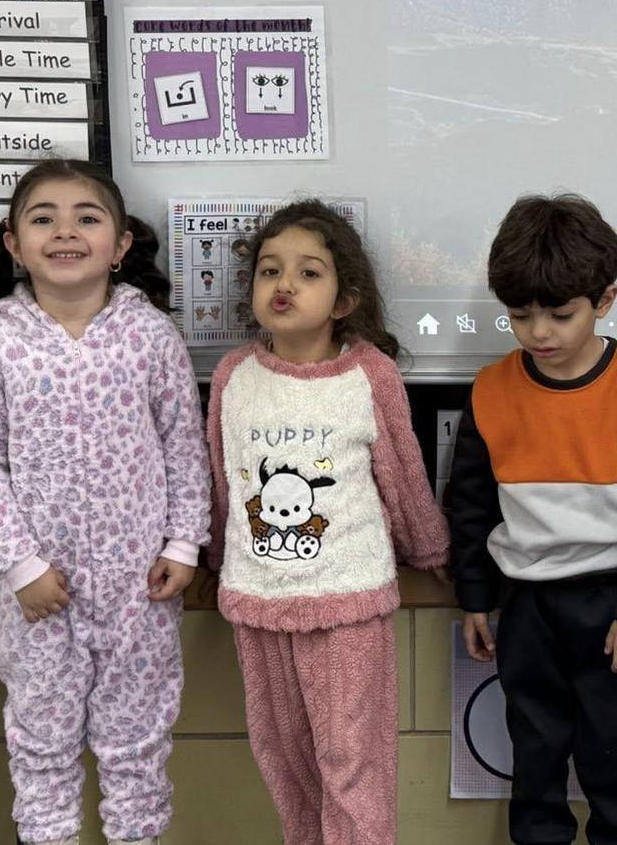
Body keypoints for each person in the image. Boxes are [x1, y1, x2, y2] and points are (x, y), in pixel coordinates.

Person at [0, 160, 210, 845]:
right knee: (42, 752)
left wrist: (184, 544)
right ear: (13, 244)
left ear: (120, 245)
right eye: (43, 219)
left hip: (138, 592)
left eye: (87, 218)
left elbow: (184, 443)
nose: (65, 232)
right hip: (38, 596)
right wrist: (20, 567)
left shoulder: (151, 336)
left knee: (136, 752)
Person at [447, 194, 617, 845]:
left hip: (612, 606)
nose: (539, 333)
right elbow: (468, 501)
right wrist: (474, 596)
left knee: (613, 760)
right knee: (535, 757)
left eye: (560, 314)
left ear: (604, 301)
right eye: (520, 316)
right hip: (527, 608)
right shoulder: (492, 389)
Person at [206, 199, 450, 845]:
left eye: (308, 273)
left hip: (346, 604)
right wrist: (214, 565)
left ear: (345, 299)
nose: (284, 285)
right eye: (269, 271)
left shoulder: (368, 374)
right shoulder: (234, 377)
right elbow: (223, 484)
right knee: (285, 763)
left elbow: (402, 475)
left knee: (351, 764)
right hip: (258, 603)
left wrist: (430, 549)